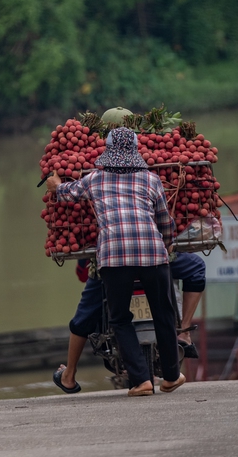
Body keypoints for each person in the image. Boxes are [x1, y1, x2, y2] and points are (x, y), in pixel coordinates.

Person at [46, 127, 185, 397]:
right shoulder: (151, 179)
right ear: (134, 151)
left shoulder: (95, 179)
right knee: (164, 315)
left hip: (115, 257)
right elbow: (165, 222)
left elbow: (66, 193)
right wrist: (165, 245)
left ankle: (141, 381)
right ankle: (170, 376)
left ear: (108, 150)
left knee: (120, 318)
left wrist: (54, 186)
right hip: (152, 254)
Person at [52, 251, 205, 395]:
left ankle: (69, 375)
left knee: (89, 318)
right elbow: (167, 230)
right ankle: (184, 332)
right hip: (154, 262)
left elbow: (83, 270)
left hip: (114, 265)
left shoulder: (104, 222)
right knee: (194, 270)